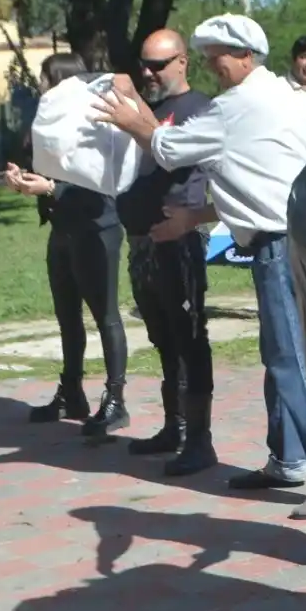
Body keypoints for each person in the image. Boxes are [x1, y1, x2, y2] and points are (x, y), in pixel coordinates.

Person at [94, 13, 306, 520]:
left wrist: (132, 118)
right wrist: (199, 214)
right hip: (301, 238)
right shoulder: (291, 99)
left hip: (277, 246)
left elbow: (168, 149)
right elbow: (271, 175)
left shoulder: (232, 107)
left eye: (217, 55)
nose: (211, 65)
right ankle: (287, 458)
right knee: (283, 355)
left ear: (244, 55)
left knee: (291, 359)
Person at [5, 53, 129, 437]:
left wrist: (51, 187)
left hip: (96, 227)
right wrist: (25, 178)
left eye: (45, 77)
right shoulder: (51, 118)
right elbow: (52, 169)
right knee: (67, 316)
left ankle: (116, 399)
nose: (41, 85)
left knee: (105, 315)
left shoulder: (94, 118)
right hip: (62, 228)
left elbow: (100, 181)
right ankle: (72, 391)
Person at [110, 29, 215, 472]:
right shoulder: (146, 110)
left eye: (158, 65)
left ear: (182, 61)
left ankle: (199, 439)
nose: (149, 73)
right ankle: (175, 425)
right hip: (142, 241)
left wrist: (135, 109)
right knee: (162, 338)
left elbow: (172, 152)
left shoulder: (200, 109)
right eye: (144, 66)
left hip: (180, 239)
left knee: (189, 337)